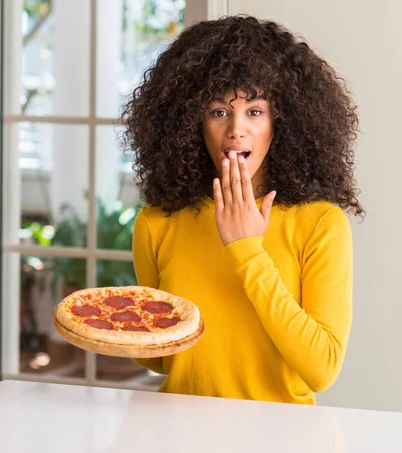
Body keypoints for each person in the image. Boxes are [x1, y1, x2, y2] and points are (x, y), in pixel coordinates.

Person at [120, 14, 364, 405]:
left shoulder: (320, 224)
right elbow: (164, 362)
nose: (236, 129)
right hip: (177, 431)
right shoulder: (157, 222)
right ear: (192, 123)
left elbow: (322, 369)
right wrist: (123, 329)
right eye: (218, 112)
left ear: (281, 122)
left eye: (254, 111)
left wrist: (248, 250)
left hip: (282, 438)